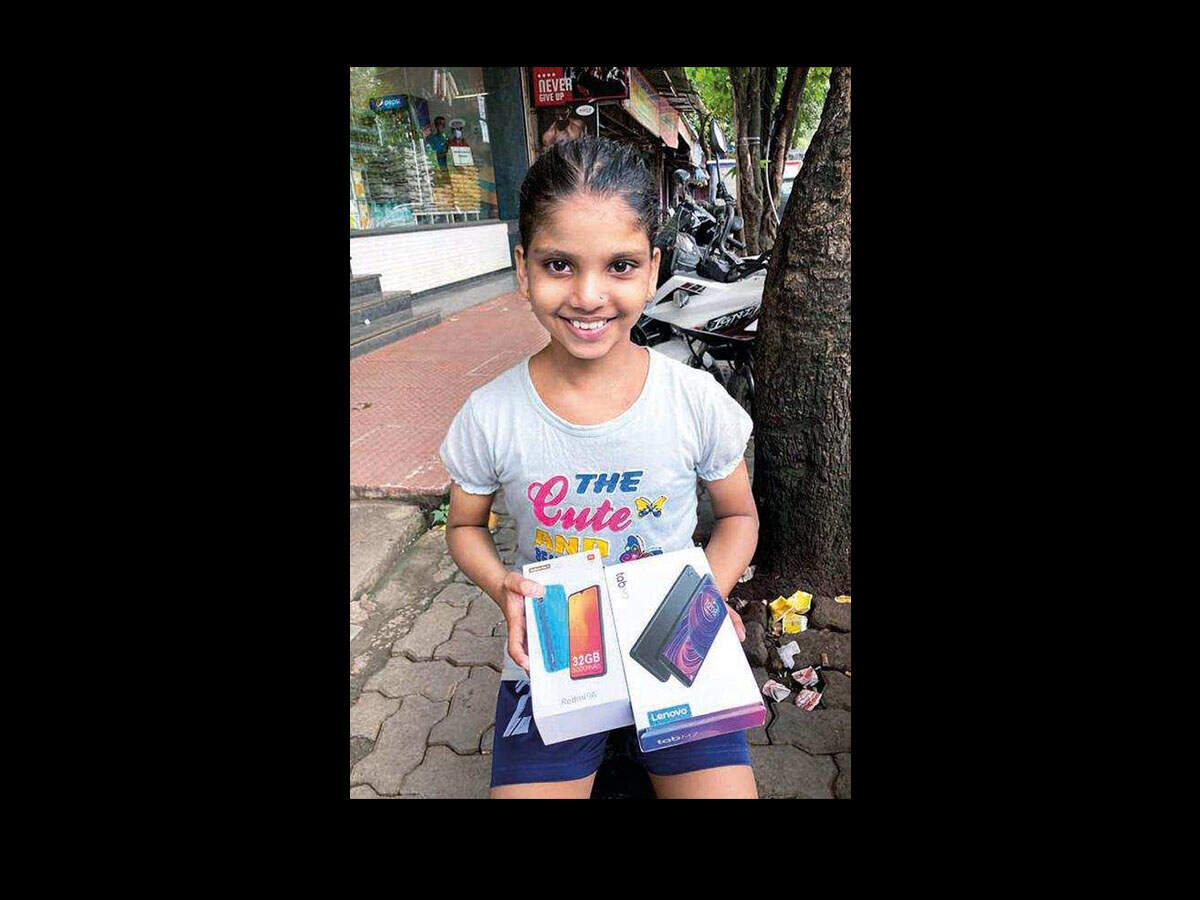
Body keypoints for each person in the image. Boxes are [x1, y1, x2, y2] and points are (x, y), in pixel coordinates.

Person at [439, 136, 760, 799]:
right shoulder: (491, 414)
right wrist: (502, 586)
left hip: (675, 637)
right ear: (522, 268)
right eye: (559, 264)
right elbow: (464, 526)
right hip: (557, 652)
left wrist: (708, 594)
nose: (589, 296)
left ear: (654, 268)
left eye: (620, 265)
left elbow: (737, 516)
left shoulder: (694, 401)